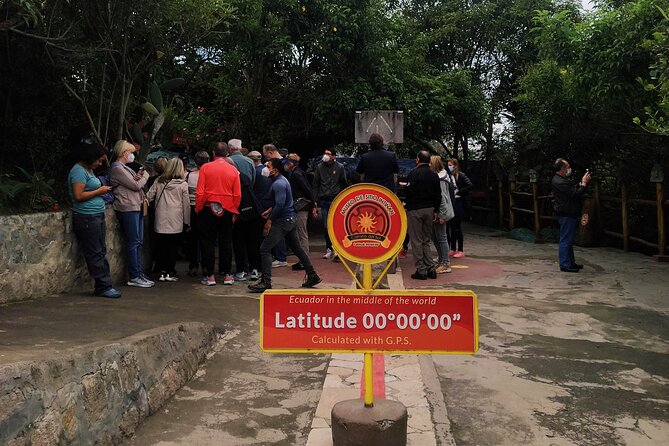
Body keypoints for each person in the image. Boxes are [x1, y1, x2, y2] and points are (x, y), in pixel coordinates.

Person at [248, 158, 322, 293]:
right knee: (297, 248)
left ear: (275, 170)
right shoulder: (280, 180)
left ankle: (266, 282)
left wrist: (269, 221)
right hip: (289, 219)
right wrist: (270, 210)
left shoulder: (279, 184)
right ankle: (312, 275)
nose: (265, 168)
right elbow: (280, 202)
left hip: (283, 221)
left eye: (268, 166)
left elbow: (281, 204)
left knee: (265, 249)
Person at [69, 143, 121, 298]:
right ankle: (103, 285)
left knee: (100, 250)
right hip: (86, 216)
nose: (100, 163)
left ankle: (104, 284)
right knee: (94, 251)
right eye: (98, 160)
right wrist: (100, 190)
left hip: (96, 214)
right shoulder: (78, 171)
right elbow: (78, 196)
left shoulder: (88, 170)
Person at [109, 140, 154, 288]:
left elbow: (132, 182)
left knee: (138, 241)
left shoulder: (124, 168)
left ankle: (138, 273)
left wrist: (137, 178)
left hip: (136, 206)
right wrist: (146, 175)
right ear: (124, 153)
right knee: (133, 241)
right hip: (128, 207)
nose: (133, 155)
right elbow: (135, 185)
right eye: (131, 152)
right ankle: (134, 275)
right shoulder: (117, 168)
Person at [195, 143, 241, 286]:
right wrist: (234, 210)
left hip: (208, 207)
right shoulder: (233, 170)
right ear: (227, 153)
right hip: (227, 208)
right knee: (226, 241)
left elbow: (200, 191)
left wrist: (198, 207)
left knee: (207, 242)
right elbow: (237, 194)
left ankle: (210, 275)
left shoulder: (205, 168)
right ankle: (227, 275)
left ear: (214, 153)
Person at [147, 158, 191, 282]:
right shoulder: (183, 184)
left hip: (160, 218)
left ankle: (161, 271)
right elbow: (186, 205)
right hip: (176, 219)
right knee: (173, 247)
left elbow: (149, 196)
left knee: (161, 245)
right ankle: (169, 271)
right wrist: (187, 222)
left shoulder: (158, 181)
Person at [405, 151, 442, 280]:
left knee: (416, 240)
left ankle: (421, 270)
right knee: (426, 240)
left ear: (418, 159)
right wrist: (435, 210)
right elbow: (438, 195)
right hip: (430, 210)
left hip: (415, 210)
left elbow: (409, 192)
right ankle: (431, 268)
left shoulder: (413, 173)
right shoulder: (434, 175)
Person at [552, 158, 591, 272]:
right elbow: (575, 194)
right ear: (562, 168)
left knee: (568, 240)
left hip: (568, 212)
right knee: (565, 240)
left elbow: (572, 191)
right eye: (567, 166)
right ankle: (565, 264)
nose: (569, 169)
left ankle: (570, 262)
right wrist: (584, 183)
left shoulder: (561, 180)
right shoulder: (560, 181)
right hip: (566, 213)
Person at [228, 139, 258, 281]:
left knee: (238, 241)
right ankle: (254, 269)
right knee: (252, 240)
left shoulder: (229, 165)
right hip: (250, 207)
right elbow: (254, 181)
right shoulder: (249, 163)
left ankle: (241, 269)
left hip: (235, 209)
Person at [313, 148, 348, 260]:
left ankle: (337, 249)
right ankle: (329, 248)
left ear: (333, 156)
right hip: (324, 200)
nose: (326, 156)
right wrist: (315, 200)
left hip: (336, 200)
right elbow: (316, 183)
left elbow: (343, 183)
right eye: (325, 153)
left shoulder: (340, 167)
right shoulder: (319, 167)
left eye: (328, 154)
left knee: (337, 225)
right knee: (326, 226)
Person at [284, 153, 318, 271]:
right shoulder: (296, 172)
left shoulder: (296, 174)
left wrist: (313, 203)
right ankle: (303, 260)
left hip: (301, 207)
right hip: (301, 206)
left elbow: (307, 189)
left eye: (288, 163)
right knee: (300, 233)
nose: (286, 165)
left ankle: (305, 260)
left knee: (302, 233)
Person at [185, 151, 209, 276]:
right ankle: (206, 266)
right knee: (206, 238)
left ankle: (193, 265)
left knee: (192, 239)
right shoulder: (210, 175)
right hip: (205, 208)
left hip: (192, 208)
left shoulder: (189, 176)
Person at [429, 156, 455, 274]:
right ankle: (441, 259)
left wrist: (442, 215)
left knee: (441, 237)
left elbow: (442, 199)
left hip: (441, 213)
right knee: (435, 236)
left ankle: (445, 263)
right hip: (439, 212)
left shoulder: (440, 180)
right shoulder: (442, 177)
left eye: (430, 163)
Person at [446, 158, 472, 258]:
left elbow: (470, 185)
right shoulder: (448, 176)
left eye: (451, 165)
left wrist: (459, 192)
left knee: (457, 227)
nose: (449, 167)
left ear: (455, 166)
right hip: (450, 202)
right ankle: (452, 248)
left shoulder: (461, 175)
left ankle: (460, 249)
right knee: (451, 226)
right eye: (448, 165)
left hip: (458, 202)